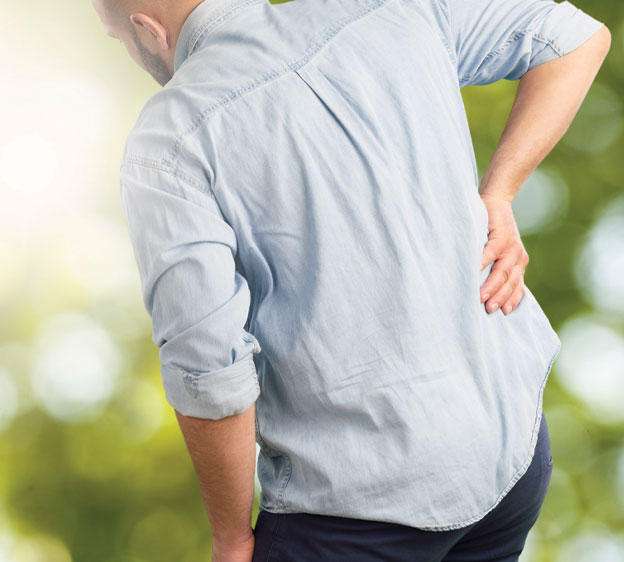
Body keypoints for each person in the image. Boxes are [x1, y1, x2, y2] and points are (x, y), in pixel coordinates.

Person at [91, 0, 610, 560]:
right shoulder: (384, 10)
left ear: (146, 29)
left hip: (358, 511)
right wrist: (499, 190)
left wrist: (231, 536)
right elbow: (573, 38)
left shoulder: (167, 143)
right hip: (510, 453)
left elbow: (208, 364)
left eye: (119, 39)